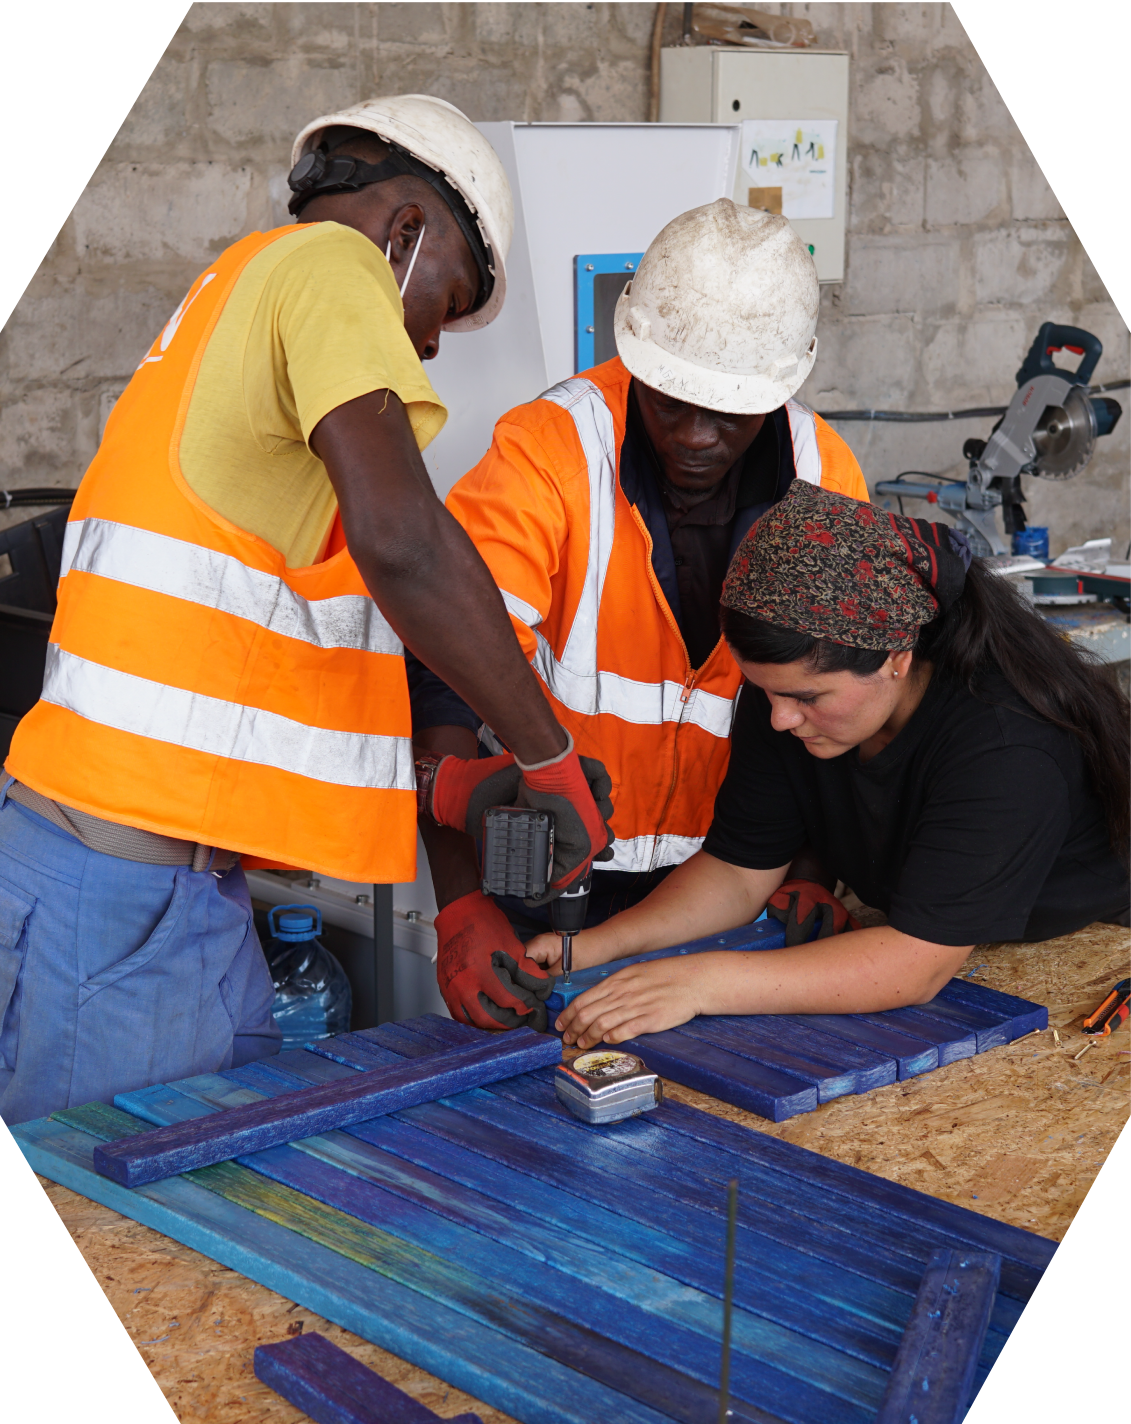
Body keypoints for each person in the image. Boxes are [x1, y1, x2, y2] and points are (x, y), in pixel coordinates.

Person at [0, 96, 610, 1126]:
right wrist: (546, 752)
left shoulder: (240, 290)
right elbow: (407, 543)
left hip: (150, 888)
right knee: (97, 1219)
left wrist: (454, 792)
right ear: (405, 232)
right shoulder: (331, 267)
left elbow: (272, 653)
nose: (430, 346)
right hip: (121, 902)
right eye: (447, 304)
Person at [411, 199, 871, 1032]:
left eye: (725, 413)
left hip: (735, 884)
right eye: (668, 402)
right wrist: (459, 901)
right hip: (545, 879)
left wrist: (811, 862)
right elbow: (444, 671)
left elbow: (839, 701)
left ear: (778, 387)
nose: (694, 436)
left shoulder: (824, 474)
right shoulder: (548, 451)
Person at [538, 481, 1131, 1049]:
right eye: (765, 692)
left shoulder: (1006, 743)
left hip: (1095, 950)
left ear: (896, 656)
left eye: (807, 698)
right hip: (959, 943)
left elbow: (916, 964)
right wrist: (591, 947)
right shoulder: (787, 697)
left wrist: (697, 983)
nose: (780, 719)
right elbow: (739, 871)